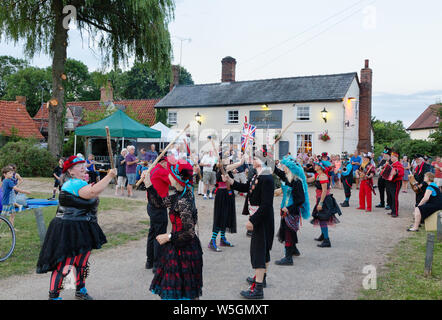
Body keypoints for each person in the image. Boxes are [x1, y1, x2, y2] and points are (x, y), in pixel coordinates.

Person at [36, 155, 117, 300]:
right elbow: (93, 192)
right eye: (79, 166)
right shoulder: (72, 183)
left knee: (81, 263)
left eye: (84, 165)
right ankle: (53, 296)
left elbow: (94, 192)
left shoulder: (80, 182)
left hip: (83, 227)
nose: (83, 168)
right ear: (70, 171)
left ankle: (80, 290)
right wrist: (110, 175)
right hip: (68, 228)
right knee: (65, 264)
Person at [147, 158, 203, 300]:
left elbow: (189, 232)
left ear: (177, 178)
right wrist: (149, 184)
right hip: (177, 247)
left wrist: (169, 237)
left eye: (170, 173)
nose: (168, 175)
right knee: (178, 290)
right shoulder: (179, 196)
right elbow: (159, 203)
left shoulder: (183, 200)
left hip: (185, 249)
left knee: (184, 292)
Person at [223, 148, 274, 299]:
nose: (252, 160)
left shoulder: (267, 178)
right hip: (259, 217)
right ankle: (261, 279)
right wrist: (231, 181)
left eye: (255, 158)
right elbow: (247, 188)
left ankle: (258, 290)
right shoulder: (258, 175)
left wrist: (253, 220)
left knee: (259, 252)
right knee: (262, 250)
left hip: (262, 219)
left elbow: (266, 204)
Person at [273, 155, 310, 265]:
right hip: (285, 209)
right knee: (288, 230)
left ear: (290, 168)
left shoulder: (297, 182)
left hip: (291, 211)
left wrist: (288, 208)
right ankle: (293, 250)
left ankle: (288, 258)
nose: (283, 168)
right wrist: (265, 158)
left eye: (285, 166)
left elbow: (300, 200)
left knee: (288, 232)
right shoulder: (287, 178)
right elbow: (277, 171)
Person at [208, 155, 244, 252]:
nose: (229, 159)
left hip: (228, 194)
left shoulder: (226, 169)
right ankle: (212, 241)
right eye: (227, 157)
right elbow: (235, 165)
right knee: (220, 217)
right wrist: (240, 162)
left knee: (226, 216)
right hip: (222, 195)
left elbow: (232, 168)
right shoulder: (222, 168)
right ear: (222, 160)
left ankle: (222, 239)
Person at [307, 161, 342, 248]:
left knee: (322, 218)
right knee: (320, 217)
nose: (315, 166)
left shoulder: (322, 176)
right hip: (320, 198)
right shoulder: (317, 175)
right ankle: (323, 235)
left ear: (320, 167)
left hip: (324, 199)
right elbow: (307, 180)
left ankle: (327, 240)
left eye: (316, 165)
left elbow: (324, 190)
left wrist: (321, 203)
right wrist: (300, 172)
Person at [144, 156, 170, 272]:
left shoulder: (153, 169)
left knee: (152, 233)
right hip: (158, 206)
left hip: (152, 206)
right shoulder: (160, 170)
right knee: (159, 235)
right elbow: (172, 181)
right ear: (163, 162)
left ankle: (149, 261)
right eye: (167, 163)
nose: (168, 165)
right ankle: (157, 264)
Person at [385, 151, 404, 218]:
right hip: (391, 182)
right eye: (391, 157)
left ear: (396, 157)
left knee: (394, 197)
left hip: (397, 182)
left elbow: (401, 173)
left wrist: (396, 172)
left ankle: (395, 212)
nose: (391, 158)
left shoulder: (399, 164)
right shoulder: (392, 164)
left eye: (392, 157)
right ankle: (393, 210)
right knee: (391, 197)